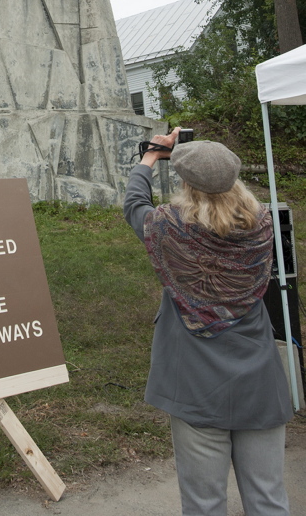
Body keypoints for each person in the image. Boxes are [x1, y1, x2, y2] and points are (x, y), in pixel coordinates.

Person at [124, 128, 292, 516]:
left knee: (204, 504)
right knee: (269, 499)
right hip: (260, 382)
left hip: (196, 386)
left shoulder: (167, 227)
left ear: (186, 183)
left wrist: (150, 156)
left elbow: (135, 203)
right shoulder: (262, 225)